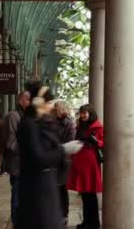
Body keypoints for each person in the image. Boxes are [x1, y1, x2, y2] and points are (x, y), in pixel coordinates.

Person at [16, 82, 83, 229]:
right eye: (49, 102)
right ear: (39, 102)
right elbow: (38, 157)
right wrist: (63, 150)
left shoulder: (40, 122)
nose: (51, 106)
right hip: (36, 188)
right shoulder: (29, 124)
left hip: (45, 185)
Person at [67, 104, 104, 229]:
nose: (82, 115)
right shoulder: (80, 126)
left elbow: (104, 143)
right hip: (80, 163)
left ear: (90, 113)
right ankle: (86, 221)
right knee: (84, 194)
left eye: (85, 113)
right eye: (81, 113)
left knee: (91, 195)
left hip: (90, 164)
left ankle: (94, 223)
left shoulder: (97, 127)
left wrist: (96, 141)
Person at [1, 90, 31, 225]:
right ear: (21, 101)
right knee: (18, 196)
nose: (31, 103)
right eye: (28, 100)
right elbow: (10, 142)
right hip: (17, 164)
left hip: (26, 164)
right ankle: (16, 223)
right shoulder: (13, 116)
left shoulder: (27, 116)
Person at [53, 100, 76, 225]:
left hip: (63, 160)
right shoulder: (53, 122)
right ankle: (57, 213)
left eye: (56, 108)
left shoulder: (69, 123)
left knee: (62, 188)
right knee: (56, 188)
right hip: (54, 158)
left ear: (61, 109)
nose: (54, 110)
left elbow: (70, 141)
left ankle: (64, 214)